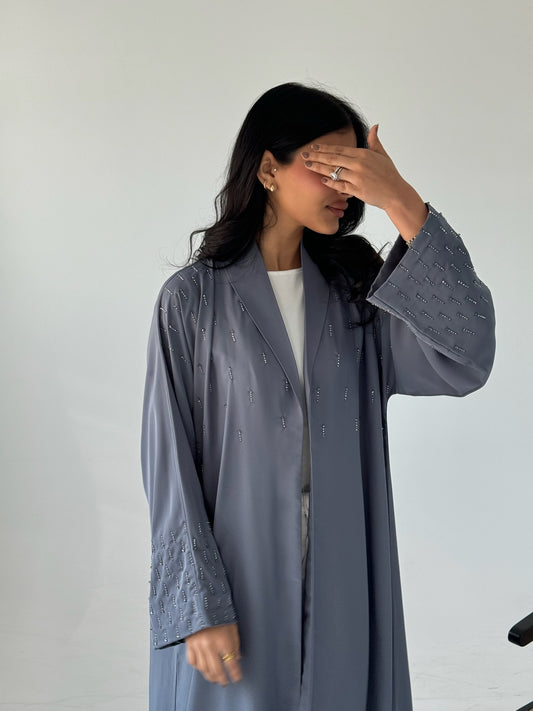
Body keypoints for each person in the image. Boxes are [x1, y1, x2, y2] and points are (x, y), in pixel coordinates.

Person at [140, 81, 496, 711]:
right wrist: (198, 608)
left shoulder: (359, 294)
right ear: (268, 170)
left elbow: (468, 357)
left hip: (345, 580)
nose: (345, 187)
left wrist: (401, 200)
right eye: (329, 166)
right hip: (238, 585)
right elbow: (169, 465)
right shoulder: (192, 302)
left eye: (354, 171)